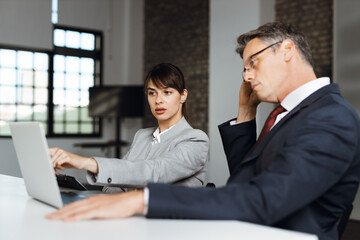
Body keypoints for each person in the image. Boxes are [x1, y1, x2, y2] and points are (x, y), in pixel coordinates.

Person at [47, 22, 360, 240]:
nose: (248, 76)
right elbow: (246, 180)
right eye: (244, 69)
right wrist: (246, 113)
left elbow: (263, 199)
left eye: (253, 63)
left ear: (287, 50)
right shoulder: (291, 113)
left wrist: (143, 200)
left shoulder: (330, 116)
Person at [50, 63, 209, 192]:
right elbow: (113, 185)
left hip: (166, 226)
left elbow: (153, 172)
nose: (158, 100)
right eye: (152, 93)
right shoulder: (142, 136)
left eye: (167, 92)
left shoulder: (196, 140)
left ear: (183, 95)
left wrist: (85, 162)